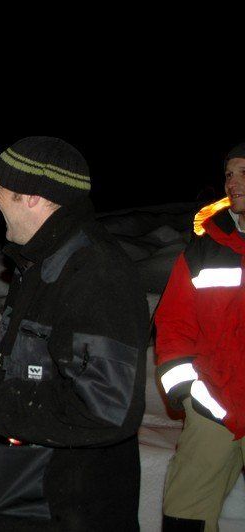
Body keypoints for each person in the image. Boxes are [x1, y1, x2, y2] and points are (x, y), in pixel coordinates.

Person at [0, 137, 148, 531]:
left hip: (73, 509)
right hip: (25, 499)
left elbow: (106, 407)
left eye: (1, 190)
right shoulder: (38, 264)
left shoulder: (96, 272)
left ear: (32, 196)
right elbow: (30, 362)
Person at [155, 142, 245, 532]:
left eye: (244, 173)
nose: (233, 183)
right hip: (215, 407)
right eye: (229, 174)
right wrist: (188, 394)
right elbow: (173, 324)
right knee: (185, 515)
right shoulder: (204, 250)